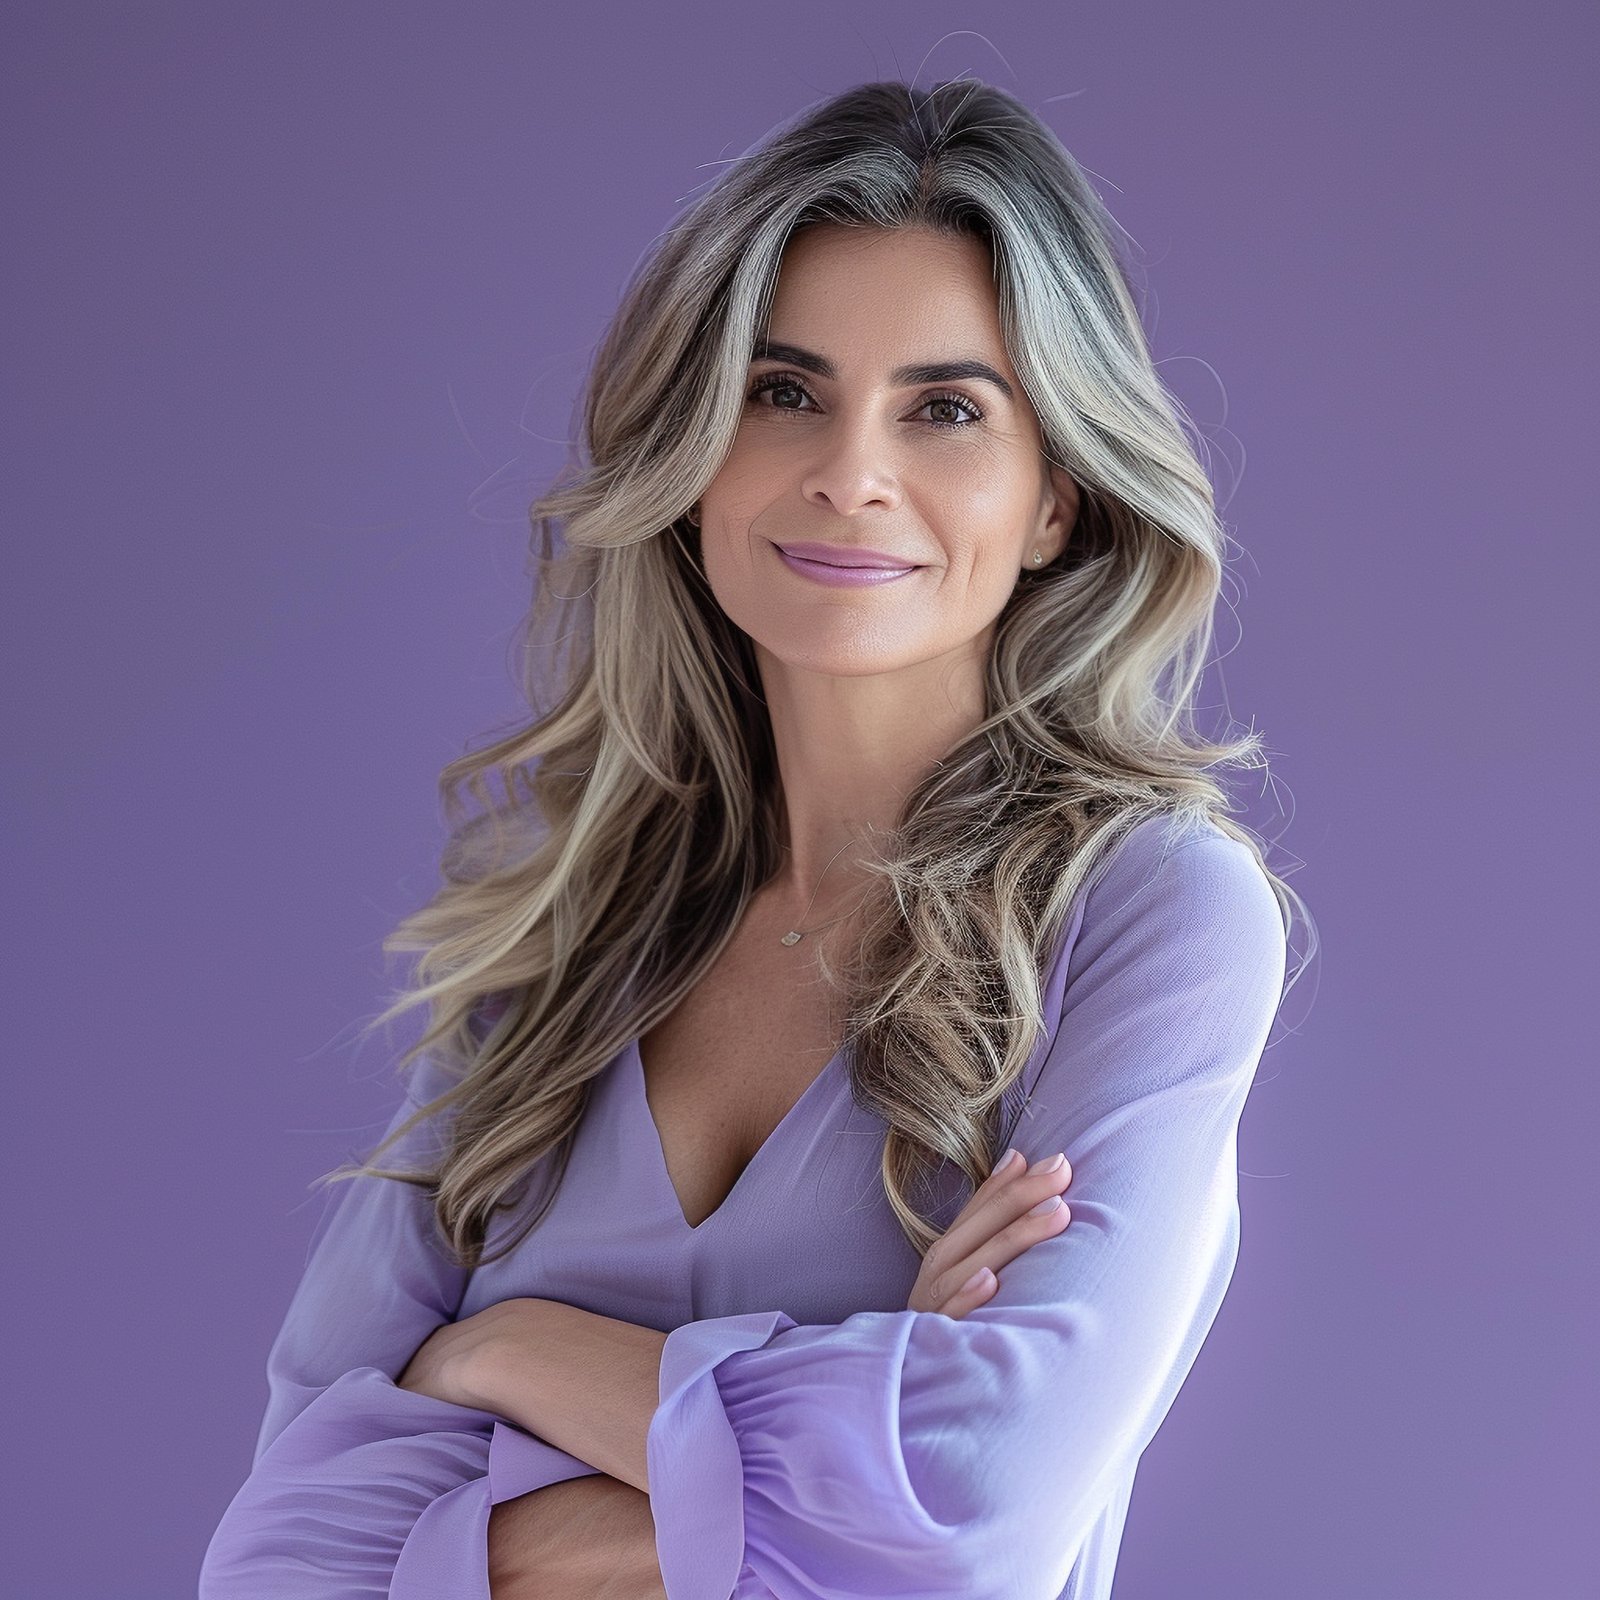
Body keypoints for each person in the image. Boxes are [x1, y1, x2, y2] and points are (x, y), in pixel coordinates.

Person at [199, 78, 1311, 1600]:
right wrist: (832, 1435)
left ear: (1056, 496)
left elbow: (966, 1518)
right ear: (694, 449)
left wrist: (499, 1357)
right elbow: (278, 1560)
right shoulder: (550, 947)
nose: (850, 470)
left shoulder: (1149, 912)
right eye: (784, 391)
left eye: (945, 407)